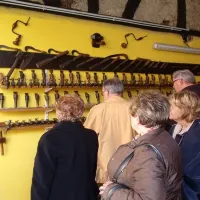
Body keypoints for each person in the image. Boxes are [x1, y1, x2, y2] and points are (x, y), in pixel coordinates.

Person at [100, 91, 182, 200]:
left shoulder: (147, 153)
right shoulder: (163, 135)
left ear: (138, 119)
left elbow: (149, 198)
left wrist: (111, 191)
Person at [31, 94, 99, 200]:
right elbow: (91, 170)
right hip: (87, 195)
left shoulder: (50, 138)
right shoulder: (91, 136)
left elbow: (41, 179)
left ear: (58, 112)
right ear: (81, 111)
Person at [84, 78, 134, 183]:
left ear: (106, 92)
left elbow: (86, 137)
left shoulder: (98, 109)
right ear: (121, 91)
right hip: (130, 163)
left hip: (106, 167)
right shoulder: (134, 108)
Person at [169, 90, 200, 200]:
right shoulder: (173, 129)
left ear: (185, 108)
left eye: (173, 106)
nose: (169, 108)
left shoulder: (197, 133)